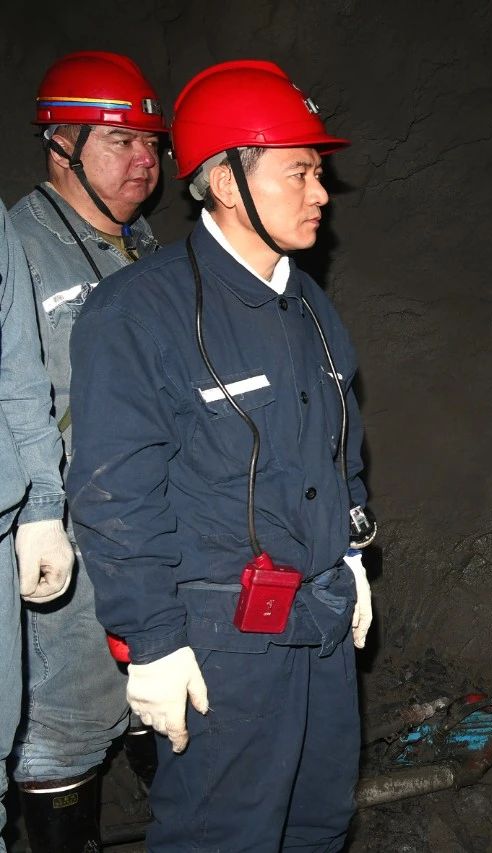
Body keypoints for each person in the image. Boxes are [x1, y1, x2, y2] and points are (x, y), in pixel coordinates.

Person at [66, 60, 374, 851]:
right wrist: (152, 641)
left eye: (318, 172)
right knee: (223, 835)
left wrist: (352, 547)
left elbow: (340, 444)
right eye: (300, 171)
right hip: (221, 639)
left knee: (318, 823)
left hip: (320, 618)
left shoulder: (308, 301)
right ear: (230, 182)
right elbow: (115, 495)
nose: (321, 193)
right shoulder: (140, 311)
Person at [7, 51, 165, 850]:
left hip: (146, 525)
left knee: (157, 691)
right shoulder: (20, 249)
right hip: (62, 532)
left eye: (151, 143)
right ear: (60, 145)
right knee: (63, 719)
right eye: (119, 141)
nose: (144, 160)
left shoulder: (142, 243)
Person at [0, 198, 75, 851]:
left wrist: (43, 505)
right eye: (121, 146)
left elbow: (18, 376)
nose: (145, 159)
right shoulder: (31, 232)